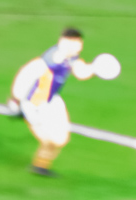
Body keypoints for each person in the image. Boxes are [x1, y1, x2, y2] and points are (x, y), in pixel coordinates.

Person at [8, 28, 98, 177]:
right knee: (49, 140)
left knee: (61, 140)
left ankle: (40, 166)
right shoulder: (48, 61)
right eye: (75, 43)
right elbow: (25, 74)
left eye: (79, 43)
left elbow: (81, 73)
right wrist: (15, 100)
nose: (79, 47)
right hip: (33, 105)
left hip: (52, 101)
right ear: (64, 42)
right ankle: (40, 165)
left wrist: (96, 68)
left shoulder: (71, 57)